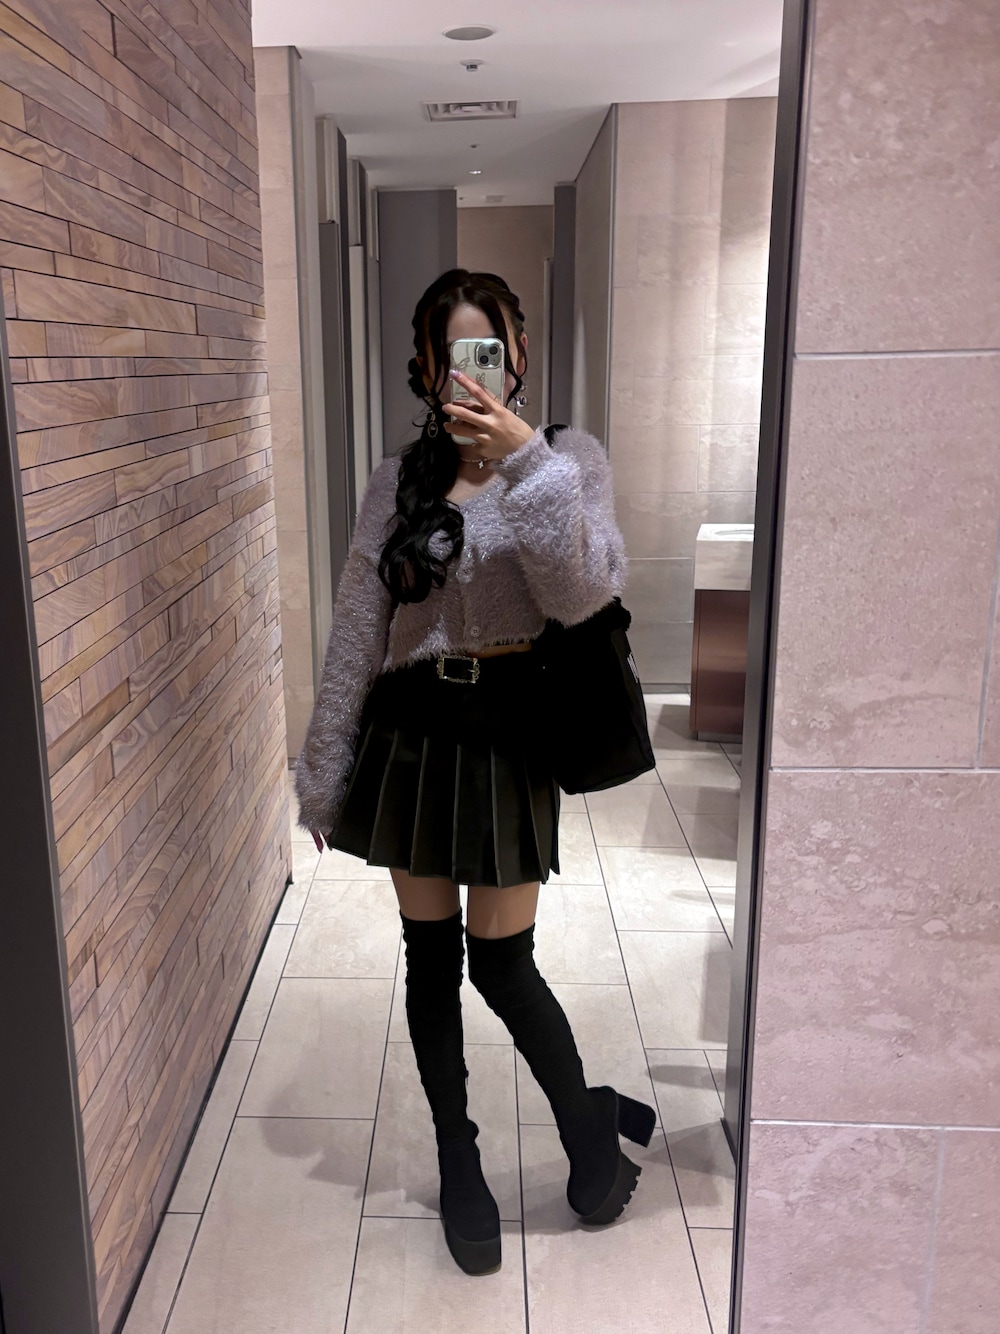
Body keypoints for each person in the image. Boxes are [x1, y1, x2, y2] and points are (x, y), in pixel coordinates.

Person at [294, 268, 655, 1276]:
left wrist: (526, 463)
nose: (470, 376)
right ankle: (461, 1160)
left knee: (503, 963)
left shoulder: (568, 461)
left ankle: (586, 1128)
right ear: (424, 366)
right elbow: (359, 625)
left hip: (509, 733)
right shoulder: (395, 481)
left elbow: (583, 595)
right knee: (429, 961)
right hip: (413, 734)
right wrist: (325, 764)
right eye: (450, 357)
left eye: (485, 353)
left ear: (517, 354)